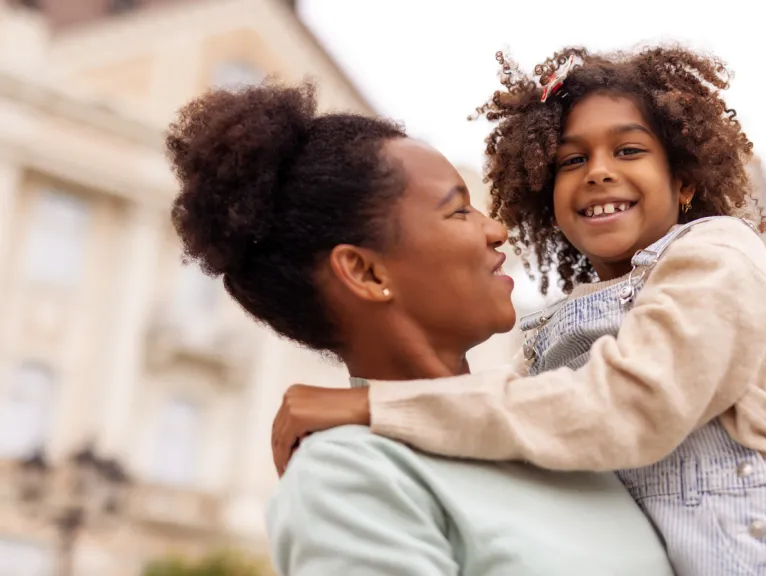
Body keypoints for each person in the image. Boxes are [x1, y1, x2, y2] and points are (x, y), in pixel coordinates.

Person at [270, 46, 766, 575]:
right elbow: (507, 407)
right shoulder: (556, 335)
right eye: (572, 161)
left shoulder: (715, 255)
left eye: (628, 150)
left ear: (684, 182)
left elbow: (628, 403)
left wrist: (369, 407)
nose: (598, 172)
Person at [166, 81, 673, 575]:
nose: (495, 230)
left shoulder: (555, 419)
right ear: (366, 272)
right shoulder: (350, 477)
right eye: (458, 211)